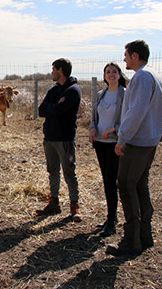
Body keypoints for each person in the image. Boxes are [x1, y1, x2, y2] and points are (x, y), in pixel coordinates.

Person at [106, 40, 162, 256]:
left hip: (137, 142)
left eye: (126, 55)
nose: (124, 59)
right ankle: (145, 236)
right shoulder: (154, 75)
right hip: (149, 141)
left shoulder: (141, 77)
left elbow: (136, 111)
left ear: (134, 55)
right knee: (140, 186)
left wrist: (123, 138)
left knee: (125, 186)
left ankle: (131, 242)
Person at [36, 58, 82, 222]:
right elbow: (42, 110)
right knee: (52, 171)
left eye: (53, 69)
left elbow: (60, 110)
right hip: (50, 137)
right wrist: (53, 107)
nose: (51, 72)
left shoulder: (73, 90)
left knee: (69, 172)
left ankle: (74, 207)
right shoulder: (54, 90)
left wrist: (52, 108)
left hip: (64, 138)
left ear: (60, 70)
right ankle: (54, 203)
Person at [89, 62, 127, 237]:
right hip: (99, 143)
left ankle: (112, 220)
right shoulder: (100, 95)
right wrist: (92, 128)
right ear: (104, 76)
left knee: (112, 180)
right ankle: (111, 217)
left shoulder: (125, 95)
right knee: (106, 179)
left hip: (114, 143)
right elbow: (93, 117)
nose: (111, 74)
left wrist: (115, 129)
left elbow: (129, 118)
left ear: (119, 75)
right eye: (108, 72)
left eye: (114, 71)